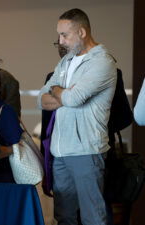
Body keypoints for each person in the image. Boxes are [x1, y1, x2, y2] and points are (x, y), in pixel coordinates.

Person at [37, 8, 117, 225]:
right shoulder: (66, 61)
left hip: (86, 152)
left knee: (93, 218)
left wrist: (61, 93)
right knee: (64, 218)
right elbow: (41, 99)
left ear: (82, 32)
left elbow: (75, 98)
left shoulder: (102, 61)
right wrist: (62, 92)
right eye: (59, 35)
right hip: (59, 153)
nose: (60, 41)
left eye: (65, 35)